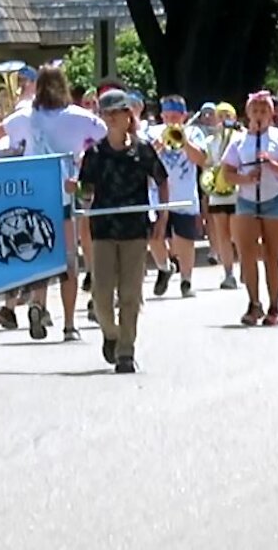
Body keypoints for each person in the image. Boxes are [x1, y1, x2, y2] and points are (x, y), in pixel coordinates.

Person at [0, 63, 107, 342]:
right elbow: (104, 132)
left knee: (38, 253)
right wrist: (82, 153)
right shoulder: (78, 116)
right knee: (68, 259)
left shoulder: (25, 116)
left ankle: (38, 303)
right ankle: (69, 324)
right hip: (64, 191)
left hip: (33, 193)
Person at [78, 89, 168, 374]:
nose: (113, 118)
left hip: (135, 230)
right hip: (104, 231)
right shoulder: (94, 154)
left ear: (129, 114)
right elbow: (86, 192)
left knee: (130, 294)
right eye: (107, 113)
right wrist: (76, 190)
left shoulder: (142, 150)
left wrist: (162, 217)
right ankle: (112, 334)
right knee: (102, 296)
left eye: (118, 112)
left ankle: (126, 352)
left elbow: (161, 179)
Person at [221, 91, 278, 326]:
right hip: (247, 200)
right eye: (255, 111)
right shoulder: (239, 141)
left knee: (272, 254)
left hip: (274, 199)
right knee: (247, 253)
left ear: (272, 114)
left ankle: (274, 305)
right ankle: (253, 302)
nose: (259, 115)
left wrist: (273, 164)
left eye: (264, 111)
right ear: (248, 114)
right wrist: (246, 179)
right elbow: (227, 174)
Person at [145, 95, 209, 298]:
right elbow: (143, 160)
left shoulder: (193, 132)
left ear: (183, 116)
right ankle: (164, 267)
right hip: (157, 196)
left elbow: (201, 160)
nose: (172, 120)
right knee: (154, 237)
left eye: (176, 116)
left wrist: (184, 141)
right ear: (162, 115)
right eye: (168, 116)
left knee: (185, 241)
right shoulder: (152, 132)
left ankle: (186, 281)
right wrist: (157, 145)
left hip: (184, 196)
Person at [203, 103, 243, 289]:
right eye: (220, 115)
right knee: (223, 235)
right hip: (218, 193)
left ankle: (245, 266)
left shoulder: (241, 138)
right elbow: (208, 164)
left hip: (237, 192)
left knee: (239, 234)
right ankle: (228, 273)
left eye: (227, 115)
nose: (223, 119)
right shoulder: (211, 141)